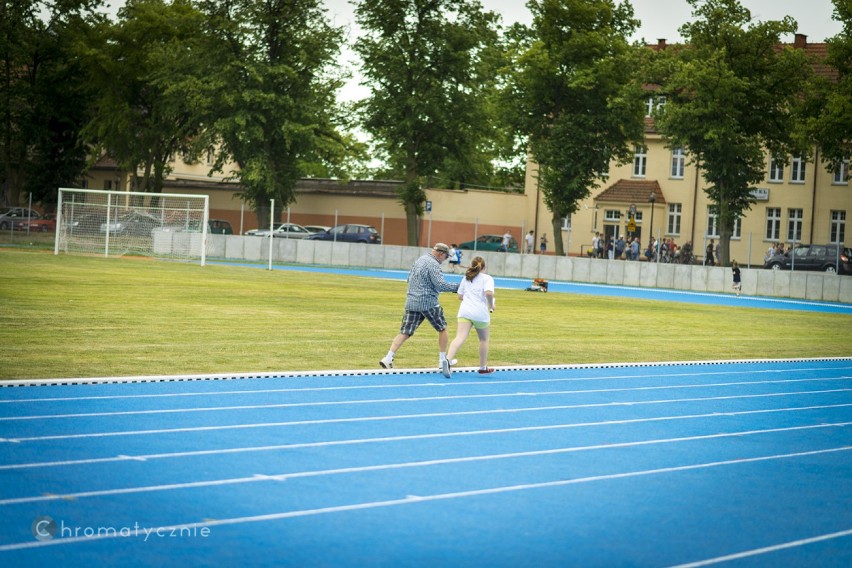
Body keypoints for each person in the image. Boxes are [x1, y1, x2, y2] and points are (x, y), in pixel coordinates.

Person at [380, 243, 460, 374]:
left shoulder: (420, 260)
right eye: (445, 257)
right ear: (440, 254)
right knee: (442, 328)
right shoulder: (433, 264)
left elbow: (408, 279)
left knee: (405, 332)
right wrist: (459, 287)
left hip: (412, 301)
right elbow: (440, 285)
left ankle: (388, 357)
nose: (445, 260)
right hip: (428, 302)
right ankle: (442, 361)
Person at [445, 256, 495, 377]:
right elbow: (488, 293)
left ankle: (447, 360)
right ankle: (483, 367)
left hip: (465, 311)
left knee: (460, 337)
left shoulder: (466, 278)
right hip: (480, 313)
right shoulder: (487, 278)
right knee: (484, 339)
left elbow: (460, 296)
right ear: (484, 267)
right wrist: (491, 305)